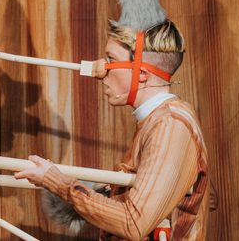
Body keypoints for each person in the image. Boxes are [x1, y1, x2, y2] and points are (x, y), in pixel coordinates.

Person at [15, 19, 210, 240]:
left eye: (111, 59)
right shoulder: (159, 121)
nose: (100, 71)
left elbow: (134, 224)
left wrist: (57, 182)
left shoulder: (170, 127)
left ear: (143, 74)